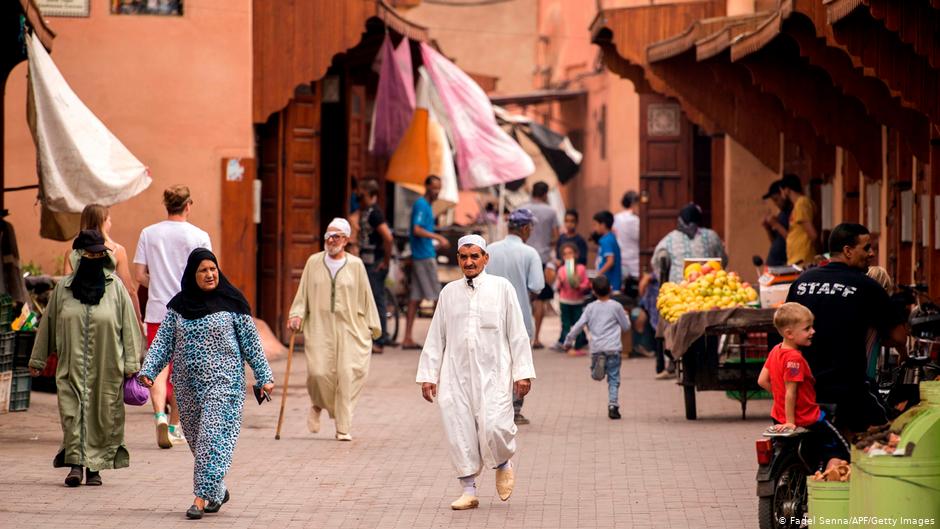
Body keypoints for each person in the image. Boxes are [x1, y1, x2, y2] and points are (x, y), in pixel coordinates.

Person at [139, 248, 274, 519]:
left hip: (224, 385)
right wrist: (149, 370)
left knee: (211, 439)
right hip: (187, 386)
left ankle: (199, 499)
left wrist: (264, 376)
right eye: (203, 270)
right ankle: (217, 489)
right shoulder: (179, 306)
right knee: (199, 442)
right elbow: (164, 341)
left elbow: (251, 343)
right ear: (193, 274)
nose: (210, 274)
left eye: (212, 268)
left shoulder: (233, 302)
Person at [417, 234, 535, 511]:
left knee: (495, 426)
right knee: (459, 429)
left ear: (485, 258)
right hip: (455, 374)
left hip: (494, 373)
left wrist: (523, 372)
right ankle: (468, 489)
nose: (469, 262)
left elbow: (517, 333)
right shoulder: (448, 292)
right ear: (458, 259)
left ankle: (503, 461)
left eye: (474, 256)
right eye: (464, 257)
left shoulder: (502, 288)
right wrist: (428, 375)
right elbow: (436, 336)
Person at [29, 230, 142, 487]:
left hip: (108, 365)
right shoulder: (63, 290)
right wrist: (38, 360)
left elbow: (129, 327)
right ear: (78, 256)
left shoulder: (116, 289)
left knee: (102, 416)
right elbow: (47, 325)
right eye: (89, 253)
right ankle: (76, 465)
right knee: (72, 413)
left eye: (99, 253)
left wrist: (133, 365)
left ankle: (95, 467)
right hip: (71, 365)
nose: (94, 257)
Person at [785, 223, 892, 433]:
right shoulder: (868, 286)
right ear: (848, 251)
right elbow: (897, 335)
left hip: (802, 384)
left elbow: (782, 326)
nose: (871, 254)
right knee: (886, 427)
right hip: (847, 387)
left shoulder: (802, 281)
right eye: (867, 248)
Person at [288, 218, 382, 441]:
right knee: (319, 373)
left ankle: (343, 427)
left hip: (350, 327)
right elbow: (302, 294)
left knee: (346, 376)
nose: (331, 240)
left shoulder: (356, 265)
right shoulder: (313, 262)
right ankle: (318, 403)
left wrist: (373, 326)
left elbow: (366, 295)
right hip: (320, 326)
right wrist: (296, 315)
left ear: (346, 240)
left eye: (336, 236)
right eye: (328, 236)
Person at [134, 185, 212, 449]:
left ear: (166, 205)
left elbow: (139, 275)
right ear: (188, 204)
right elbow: (208, 275)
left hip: (157, 309)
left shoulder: (149, 233)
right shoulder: (199, 236)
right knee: (182, 371)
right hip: (189, 311)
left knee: (159, 366)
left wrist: (156, 283)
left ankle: (158, 415)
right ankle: (174, 426)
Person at [757, 303, 849, 466]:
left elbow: (762, 381)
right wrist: (791, 422)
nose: (812, 332)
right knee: (841, 449)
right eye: (807, 329)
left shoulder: (775, 351)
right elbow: (791, 392)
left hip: (778, 417)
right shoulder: (794, 359)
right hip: (805, 417)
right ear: (789, 333)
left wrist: (779, 397)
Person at [485, 208, 544, 425]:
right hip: (520, 317)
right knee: (517, 364)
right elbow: (537, 285)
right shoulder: (530, 253)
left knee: (492, 362)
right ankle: (514, 409)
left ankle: (492, 408)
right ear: (526, 228)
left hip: (490, 316)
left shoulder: (490, 249)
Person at [564, 275, 631, 420]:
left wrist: (568, 341)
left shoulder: (590, 308)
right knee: (613, 378)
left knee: (596, 375)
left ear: (593, 291)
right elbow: (625, 327)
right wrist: (626, 316)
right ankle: (613, 405)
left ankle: (597, 370)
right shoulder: (616, 306)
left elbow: (578, 326)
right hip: (613, 349)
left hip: (597, 348)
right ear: (611, 289)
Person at [63, 204, 142, 321]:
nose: (111, 224)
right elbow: (130, 290)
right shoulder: (117, 250)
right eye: (109, 220)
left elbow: (66, 284)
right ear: (102, 222)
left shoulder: (72, 252)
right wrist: (138, 320)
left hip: (78, 314)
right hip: (109, 313)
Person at [401, 175, 450, 349]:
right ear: (427, 187)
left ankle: (407, 337)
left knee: (415, 298)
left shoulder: (427, 206)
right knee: (437, 297)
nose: (437, 191)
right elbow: (417, 229)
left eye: (439, 188)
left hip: (422, 254)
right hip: (423, 257)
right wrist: (437, 237)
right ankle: (442, 340)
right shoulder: (422, 205)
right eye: (434, 187)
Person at [356, 179, 395, 354]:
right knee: (370, 299)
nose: (359, 198)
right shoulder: (366, 211)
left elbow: (388, 237)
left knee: (377, 300)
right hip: (368, 262)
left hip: (375, 263)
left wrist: (385, 261)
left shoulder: (375, 213)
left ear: (371, 195)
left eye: (362, 195)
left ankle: (380, 340)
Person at [521, 181, 560, 349]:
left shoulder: (522, 209)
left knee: (522, 297)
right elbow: (557, 236)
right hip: (542, 258)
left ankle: (522, 337)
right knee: (540, 299)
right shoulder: (551, 212)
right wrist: (547, 244)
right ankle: (536, 338)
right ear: (545, 194)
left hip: (522, 255)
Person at [651, 203, 727, 284]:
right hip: (706, 284)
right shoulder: (711, 236)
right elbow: (723, 260)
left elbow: (656, 263)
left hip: (684, 286)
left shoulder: (669, 239)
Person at [555, 243, 590, 355]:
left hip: (577, 301)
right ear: (563, 257)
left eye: (570, 253)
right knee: (565, 324)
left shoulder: (581, 269)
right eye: (565, 254)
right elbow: (558, 287)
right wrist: (560, 282)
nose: (568, 256)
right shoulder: (561, 270)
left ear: (576, 255)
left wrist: (579, 285)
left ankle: (578, 345)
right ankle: (566, 345)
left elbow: (586, 284)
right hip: (565, 301)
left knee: (578, 324)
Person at [779, 174, 817, 267]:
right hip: (796, 258)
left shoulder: (801, 203)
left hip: (802, 258)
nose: (781, 194)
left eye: (781, 190)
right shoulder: (798, 204)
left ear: (787, 189)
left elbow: (812, 234)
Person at [613, 191, 641, 291]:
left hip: (620, 260)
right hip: (635, 262)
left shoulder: (616, 217)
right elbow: (641, 238)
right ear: (634, 204)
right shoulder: (635, 220)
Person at [591, 211, 622, 293]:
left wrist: (598, 275)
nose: (594, 228)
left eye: (595, 225)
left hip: (610, 285)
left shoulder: (607, 240)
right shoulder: (609, 238)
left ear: (603, 225)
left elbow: (610, 261)